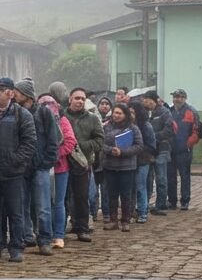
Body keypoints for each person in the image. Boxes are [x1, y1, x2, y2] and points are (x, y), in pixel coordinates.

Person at [0, 77, 35, 262]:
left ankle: (16, 247)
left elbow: (29, 143)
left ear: (11, 93)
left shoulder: (22, 115)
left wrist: (15, 160)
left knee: (15, 212)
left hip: (13, 173)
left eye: (1, 89)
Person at [13, 79, 59, 255]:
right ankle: (26, 236)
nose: (14, 94)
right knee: (22, 205)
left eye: (17, 91)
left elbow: (53, 140)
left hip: (40, 167)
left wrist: (46, 163)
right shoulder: (15, 113)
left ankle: (45, 239)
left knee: (43, 207)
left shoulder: (44, 113)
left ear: (25, 94)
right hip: (21, 167)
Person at [62, 87, 104, 243]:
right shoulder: (62, 116)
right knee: (62, 198)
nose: (80, 101)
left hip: (82, 163)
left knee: (81, 196)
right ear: (70, 99)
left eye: (82, 98)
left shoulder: (92, 119)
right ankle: (61, 228)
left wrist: (80, 146)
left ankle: (83, 228)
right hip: (63, 163)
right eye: (77, 98)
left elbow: (100, 140)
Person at [38, 94, 76, 251]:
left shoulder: (63, 121)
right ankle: (44, 233)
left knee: (58, 202)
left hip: (60, 168)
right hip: (42, 168)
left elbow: (70, 142)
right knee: (43, 203)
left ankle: (58, 234)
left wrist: (52, 154)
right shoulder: (36, 120)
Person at [101, 102, 144, 232]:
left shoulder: (133, 128)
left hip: (127, 167)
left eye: (120, 113)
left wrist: (123, 152)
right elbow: (101, 143)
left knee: (126, 194)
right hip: (110, 165)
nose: (117, 115)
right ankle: (113, 220)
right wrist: (110, 150)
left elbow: (139, 146)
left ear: (125, 115)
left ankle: (125, 220)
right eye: (115, 113)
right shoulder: (106, 127)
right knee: (112, 194)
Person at [168, 89, 201, 211]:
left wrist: (188, 144)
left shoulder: (191, 111)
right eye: (175, 97)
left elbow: (196, 130)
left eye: (180, 97)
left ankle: (185, 201)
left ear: (185, 98)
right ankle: (171, 201)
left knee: (185, 176)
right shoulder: (169, 111)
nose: (177, 99)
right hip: (170, 149)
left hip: (184, 150)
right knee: (170, 176)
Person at [142, 91, 175, 216]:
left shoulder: (165, 113)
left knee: (161, 178)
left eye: (145, 100)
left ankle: (160, 205)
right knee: (147, 178)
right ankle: (144, 204)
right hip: (149, 150)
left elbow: (169, 130)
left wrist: (152, 138)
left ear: (152, 100)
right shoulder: (145, 113)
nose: (144, 102)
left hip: (162, 148)